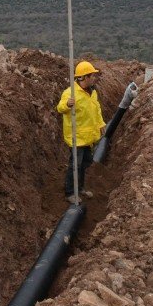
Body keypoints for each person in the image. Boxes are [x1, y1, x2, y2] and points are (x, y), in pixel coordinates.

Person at [56, 60, 105, 204]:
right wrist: (67, 104)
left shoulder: (92, 92)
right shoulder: (70, 93)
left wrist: (101, 124)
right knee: (75, 165)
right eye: (92, 76)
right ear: (84, 77)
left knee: (85, 163)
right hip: (76, 137)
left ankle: (81, 187)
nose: (94, 78)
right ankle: (70, 192)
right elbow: (60, 108)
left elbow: (96, 110)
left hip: (88, 137)